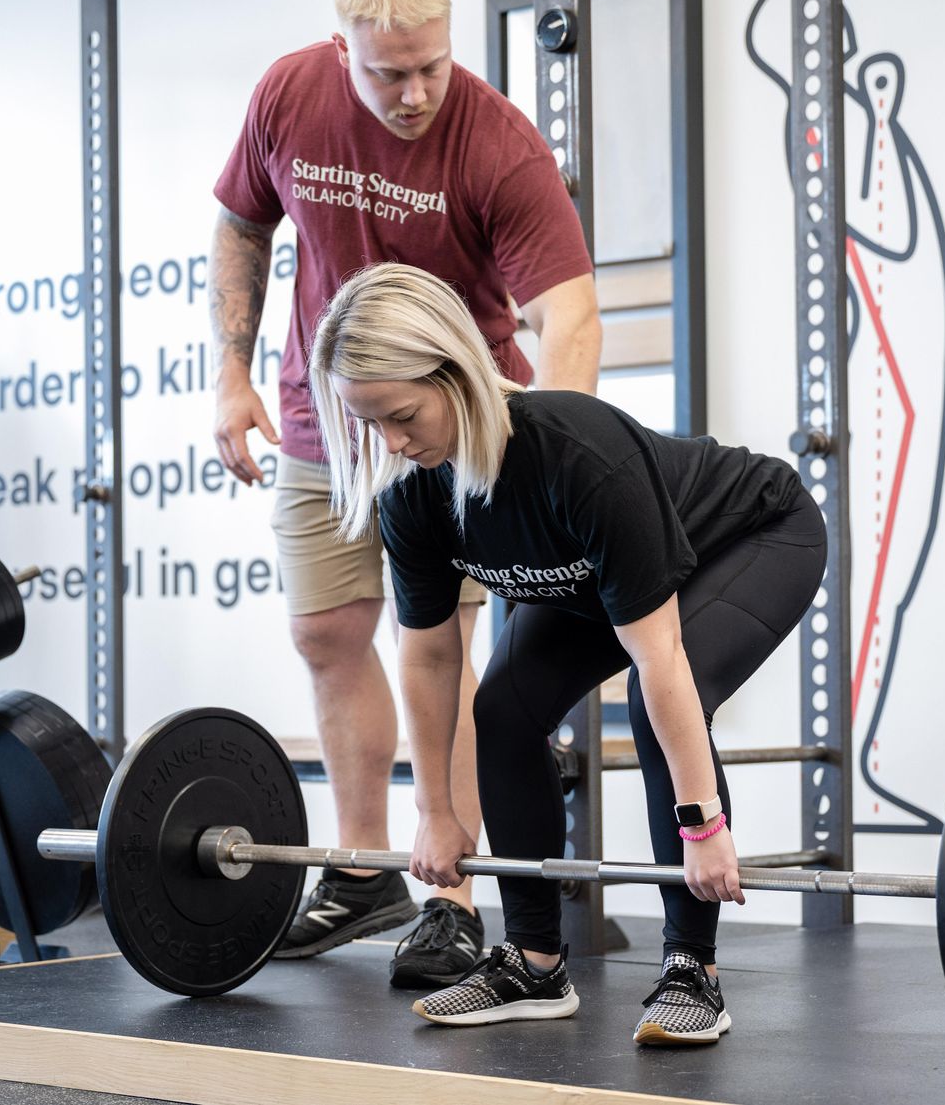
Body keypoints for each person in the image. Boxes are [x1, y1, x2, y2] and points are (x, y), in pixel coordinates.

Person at [308, 263, 827, 1046]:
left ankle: (694, 967)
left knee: (660, 721)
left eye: (403, 414)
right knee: (503, 712)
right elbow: (430, 660)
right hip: (591, 583)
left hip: (752, 536)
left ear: (453, 372)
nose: (393, 441)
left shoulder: (575, 454)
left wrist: (705, 825)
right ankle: (534, 960)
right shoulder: (411, 496)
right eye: (370, 423)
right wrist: (437, 812)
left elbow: (659, 660)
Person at [208, 0, 601, 988]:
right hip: (320, 418)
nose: (417, 90)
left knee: (439, 643)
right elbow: (242, 223)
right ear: (342, 50)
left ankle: (453, 894)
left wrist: (555, 451)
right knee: (326, 632)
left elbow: (570, 310)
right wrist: (233, 370)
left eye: (433, 63)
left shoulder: (496, 142)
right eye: (389, 72)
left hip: (445, 429)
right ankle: (362, 869)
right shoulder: (289, 97)